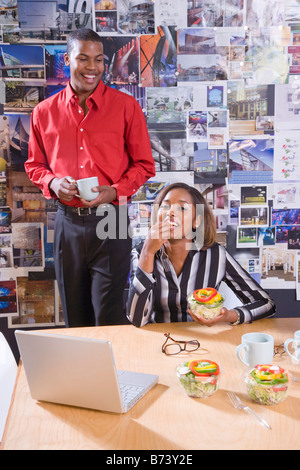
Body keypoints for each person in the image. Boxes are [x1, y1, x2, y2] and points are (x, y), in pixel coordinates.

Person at [25, 29, 155, 327]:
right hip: (67, 221)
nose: (92, 67)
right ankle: (84, 375)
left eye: (98, 60)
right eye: (83, 58)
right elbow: (34, 165)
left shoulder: (126, 107)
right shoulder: (43, 112)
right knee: (75, 314)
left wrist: (113, 191)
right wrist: (53, 183)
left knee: (109, 316)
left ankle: (115, 375)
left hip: (114, 218)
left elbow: (144, 165)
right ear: (68, 58)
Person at [127, 182, 276, 327]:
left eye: (182, 208)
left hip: (204, 342)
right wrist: (148, 252)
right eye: (165, 206)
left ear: (196, 221)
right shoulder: (141, 254)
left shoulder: (216, 255)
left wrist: (228, 316)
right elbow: (137, 320)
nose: (170, 212)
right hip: (160, 342)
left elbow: (267, 304)